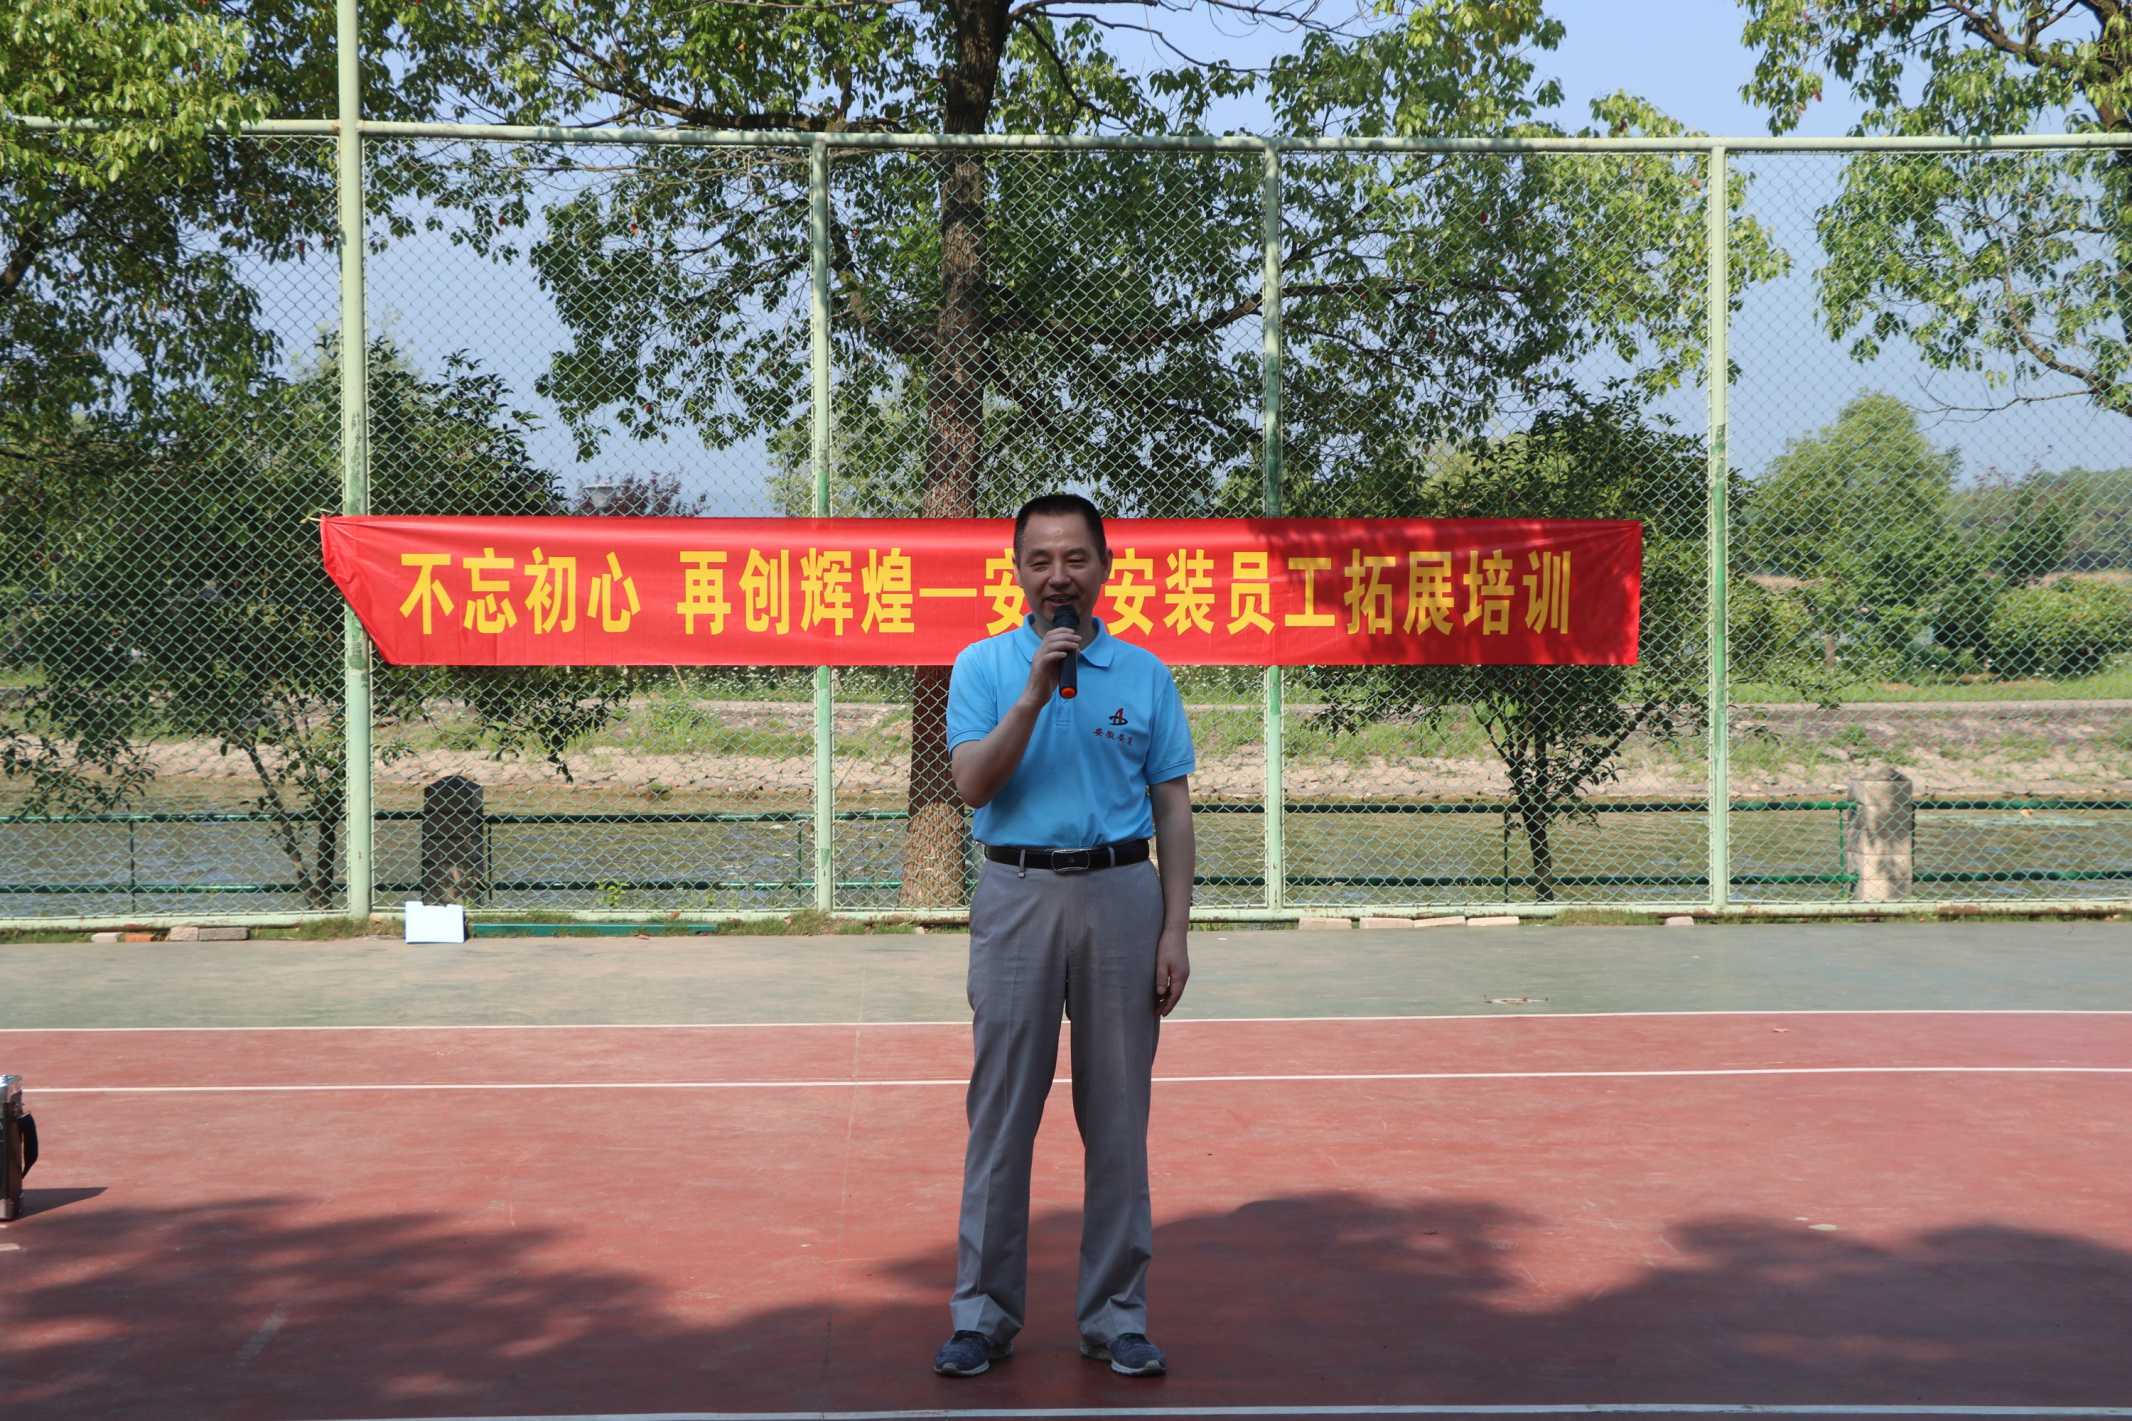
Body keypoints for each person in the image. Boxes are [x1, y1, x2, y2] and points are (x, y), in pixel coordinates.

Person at [931, 493, 1196, 1380]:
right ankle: (982, 1314)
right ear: (1017, 572)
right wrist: (1034, 694)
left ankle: (1116, 1316)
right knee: (1002, 1114)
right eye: (1040, 560)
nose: (1059, 577)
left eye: (1075, 558)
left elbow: (1173, 808)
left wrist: (1175, 929)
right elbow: (972, 783)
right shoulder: (982, 666)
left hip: (1122, 894)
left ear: (1105, 569)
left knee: (1118, 1115)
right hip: (1017, 892)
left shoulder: (1145, 675)